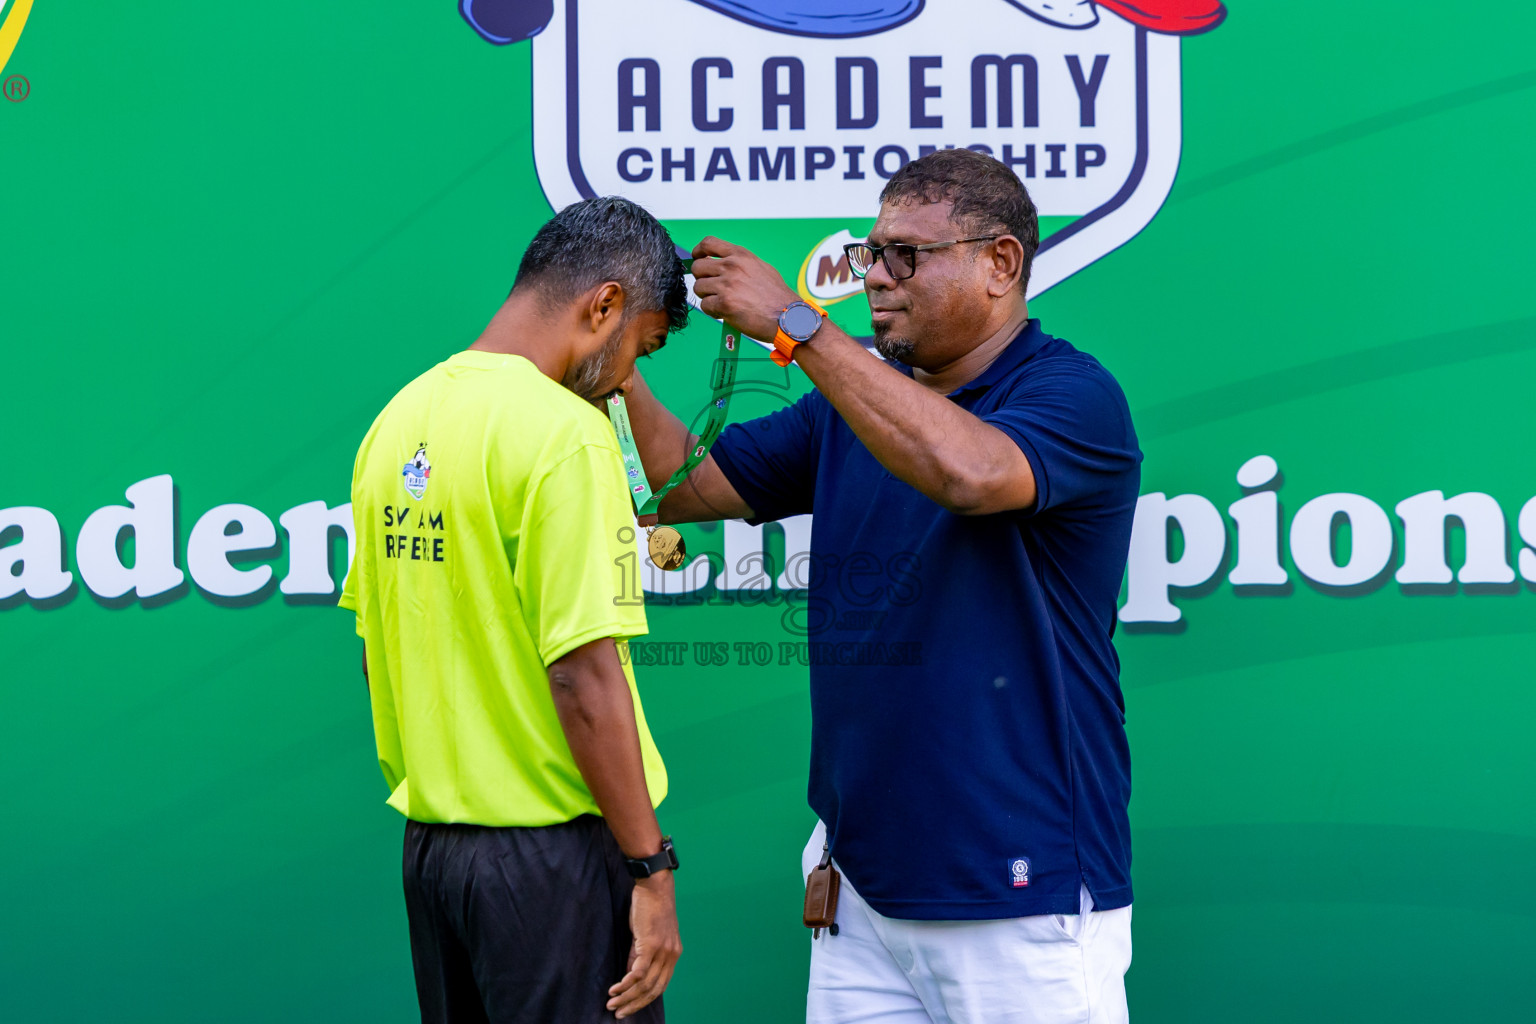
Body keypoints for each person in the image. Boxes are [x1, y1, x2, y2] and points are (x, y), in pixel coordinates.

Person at [622, 149, 1143, 1023]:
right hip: (859, 891)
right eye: (871, 254)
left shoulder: (1073, 394)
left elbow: (970, 472)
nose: (878, 278)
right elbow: (682, 487)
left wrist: (796, 325)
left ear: (1001, 265)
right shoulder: (855, 399)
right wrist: (618, 355)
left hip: (1019, 892)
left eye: (907, 255)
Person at [339, 196, 691, 1024]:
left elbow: (373, 652)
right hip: (553, 864)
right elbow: (583, 676)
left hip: (434, 860)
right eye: (637, 351)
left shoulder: (398, 420)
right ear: (603, 306)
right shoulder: (564, 434)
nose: (623, 382)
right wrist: (651, 868)